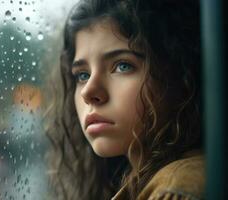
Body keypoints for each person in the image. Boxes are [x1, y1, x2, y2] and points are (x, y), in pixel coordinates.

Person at [44, 0, 204, 199]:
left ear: (181, 76)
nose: (88, 92)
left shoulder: (178, 189)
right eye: (82, 75)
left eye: (122, 66)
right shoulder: (141, 182)